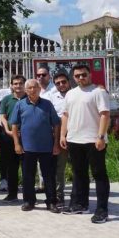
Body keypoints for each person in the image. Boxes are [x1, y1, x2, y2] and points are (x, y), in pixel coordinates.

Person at [60, 64, 112, 224]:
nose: (81, 78)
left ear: (90, 74)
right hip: (74, 140)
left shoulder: (99, 92)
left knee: (99, 175)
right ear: (73, 78)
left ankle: (102, 210)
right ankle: (80, 204)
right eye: (77, 76)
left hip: (94, 140)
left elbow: (105, 115)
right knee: (79, 174)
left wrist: (101, 137)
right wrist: (63, 134)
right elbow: (65, 115)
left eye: (83, 75)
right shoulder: (70, 94)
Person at [9, 79, 61, 213]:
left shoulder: (47, 104)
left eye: (35, 87)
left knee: (49, 176)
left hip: (47, 147)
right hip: (27, 148)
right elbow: (14, 125)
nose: (32, 90)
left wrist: (56, 144)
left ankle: (51, 202)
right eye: (30, 88)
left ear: (39, 89)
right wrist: (16, 144)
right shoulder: (20, 105)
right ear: (26, 90)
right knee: (28, 176)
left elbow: (56, 124)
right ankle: (29, 201)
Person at [0, 75, 26, 203]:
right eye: (15, 83)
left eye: (20, 83)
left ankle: (28, 195)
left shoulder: (29, 98)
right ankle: (12, 194)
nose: (18, 86)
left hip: (26, 137)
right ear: (11, 85)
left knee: (27, 167)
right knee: (11, 166)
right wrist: (7, 130)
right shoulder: (6, 99)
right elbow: (3, 116)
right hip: (9, 137)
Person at [45, 71, 71, 205]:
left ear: (69, 81)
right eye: (58, 83)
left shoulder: (76, 94)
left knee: (80, 168)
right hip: (59, 136)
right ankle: (59, 196)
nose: (61, 85)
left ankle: (79, 196)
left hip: (78, 135)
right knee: (59, 168)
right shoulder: (51, 97)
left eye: (63, 82)